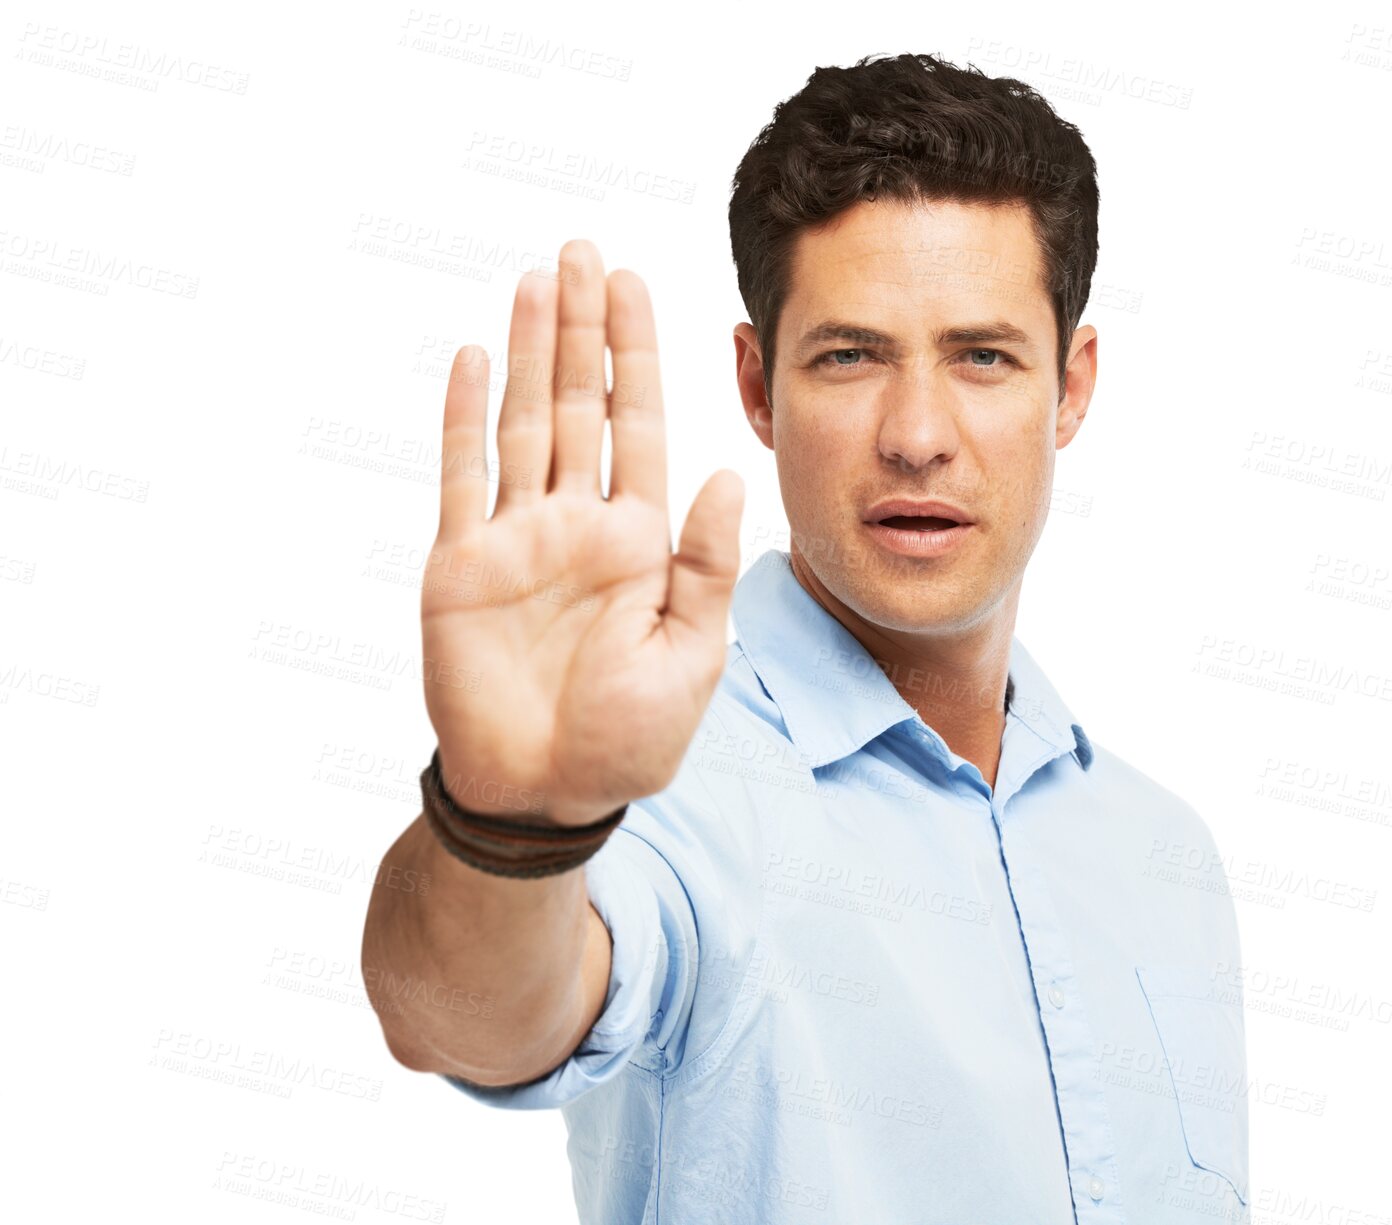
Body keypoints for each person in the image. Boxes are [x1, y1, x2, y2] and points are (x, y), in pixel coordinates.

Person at [362, 51, 1249, 1225]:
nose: (918, 435)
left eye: (982, 355)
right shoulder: (667, 794)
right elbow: (465, 1012)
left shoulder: (1163, 855)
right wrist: (511, 820)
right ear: (760, 387)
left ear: (1070, 386)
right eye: (849, 355)